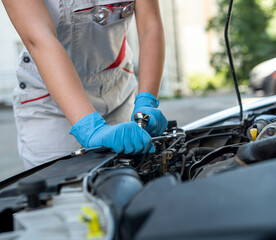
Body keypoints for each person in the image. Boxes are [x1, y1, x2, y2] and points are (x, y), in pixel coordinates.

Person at [2, 0, 168, 169]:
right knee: (68, 190)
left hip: (118, 91)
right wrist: (89, 127)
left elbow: (150, 25)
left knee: (135, 178)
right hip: (51, 104)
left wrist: (146, 99)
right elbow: (40, 41)